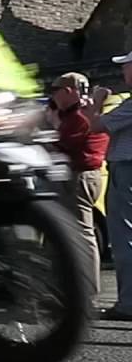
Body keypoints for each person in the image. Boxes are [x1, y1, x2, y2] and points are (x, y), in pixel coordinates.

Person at [50, 73, 108, 306]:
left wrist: (52, 129)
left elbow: (63, 145)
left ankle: (87, 294)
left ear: (69, 91)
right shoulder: (83, 112)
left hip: (80, 177)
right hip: (86, 175)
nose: (54, 96)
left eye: (57, 91)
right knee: (81, 234)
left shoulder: (79, 116)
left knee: (84, 235)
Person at [85, 50, 132, 321]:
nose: (123, 72)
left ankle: (127, 304)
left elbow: (95, 126)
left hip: (126, 170)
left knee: (124, 238)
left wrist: (97, 101)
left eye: (127, 67)